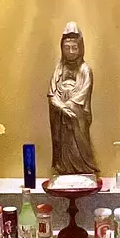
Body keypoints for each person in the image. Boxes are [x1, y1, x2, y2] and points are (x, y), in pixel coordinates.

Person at [48, 22, 98, 175]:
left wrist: (69, 105)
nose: (70, 52)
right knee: (63, 144)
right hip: (61, 118)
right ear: (61, 48)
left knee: (78, 144)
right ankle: (63, 167)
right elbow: (52, 94)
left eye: (74, 48)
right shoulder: (59, 69)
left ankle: (83, 167)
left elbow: (84, 93)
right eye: (67, 48)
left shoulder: (85, 70)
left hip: (77, 117)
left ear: (80, 48)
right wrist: (62, 108)